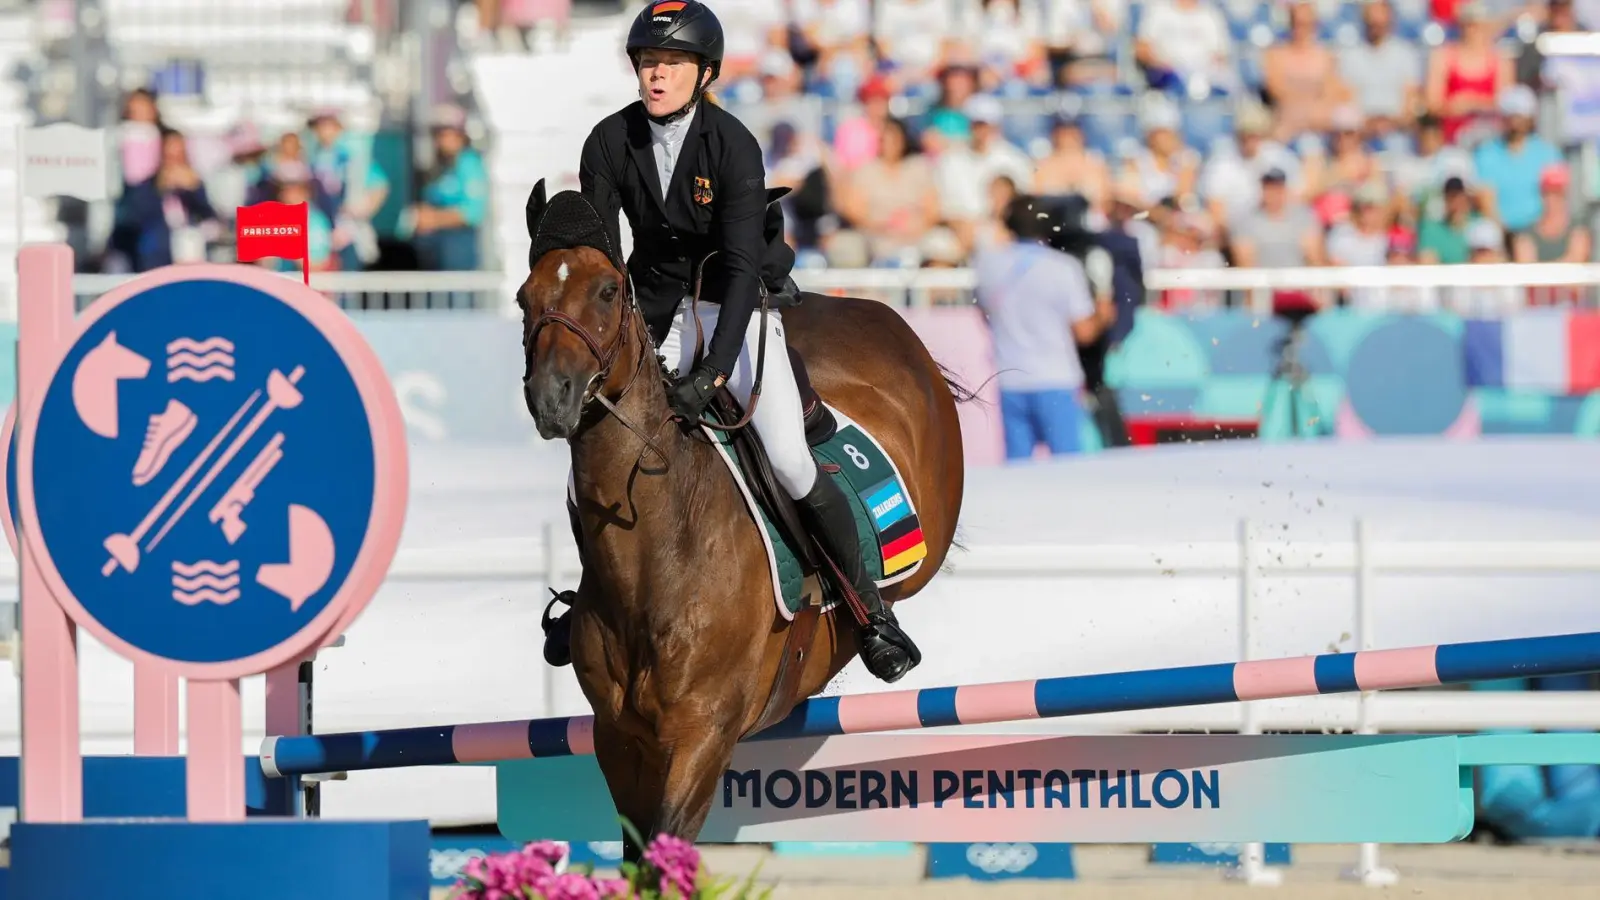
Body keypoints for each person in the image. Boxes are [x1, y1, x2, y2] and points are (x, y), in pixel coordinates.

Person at [540, 0, 920, 684]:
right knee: (597, 445)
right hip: (651, 308)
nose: (656, 77)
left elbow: (743, 269)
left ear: (704, 72)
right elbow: (603, 250)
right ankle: (595, 598)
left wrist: (713, 374)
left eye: (672, 65)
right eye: (648, 64)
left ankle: (872, 614)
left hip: (734, 306)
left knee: (788, 459)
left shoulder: (733, 144)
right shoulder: (607, 141)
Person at [973, 194, 1112, 459]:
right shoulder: (1062, 267)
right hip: (1056, 379)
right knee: (1068, 472)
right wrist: (1104, 311)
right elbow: (1085, 333)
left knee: (1018, 477)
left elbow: (985, 314)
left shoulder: (988, 264)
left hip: (1010, 378)